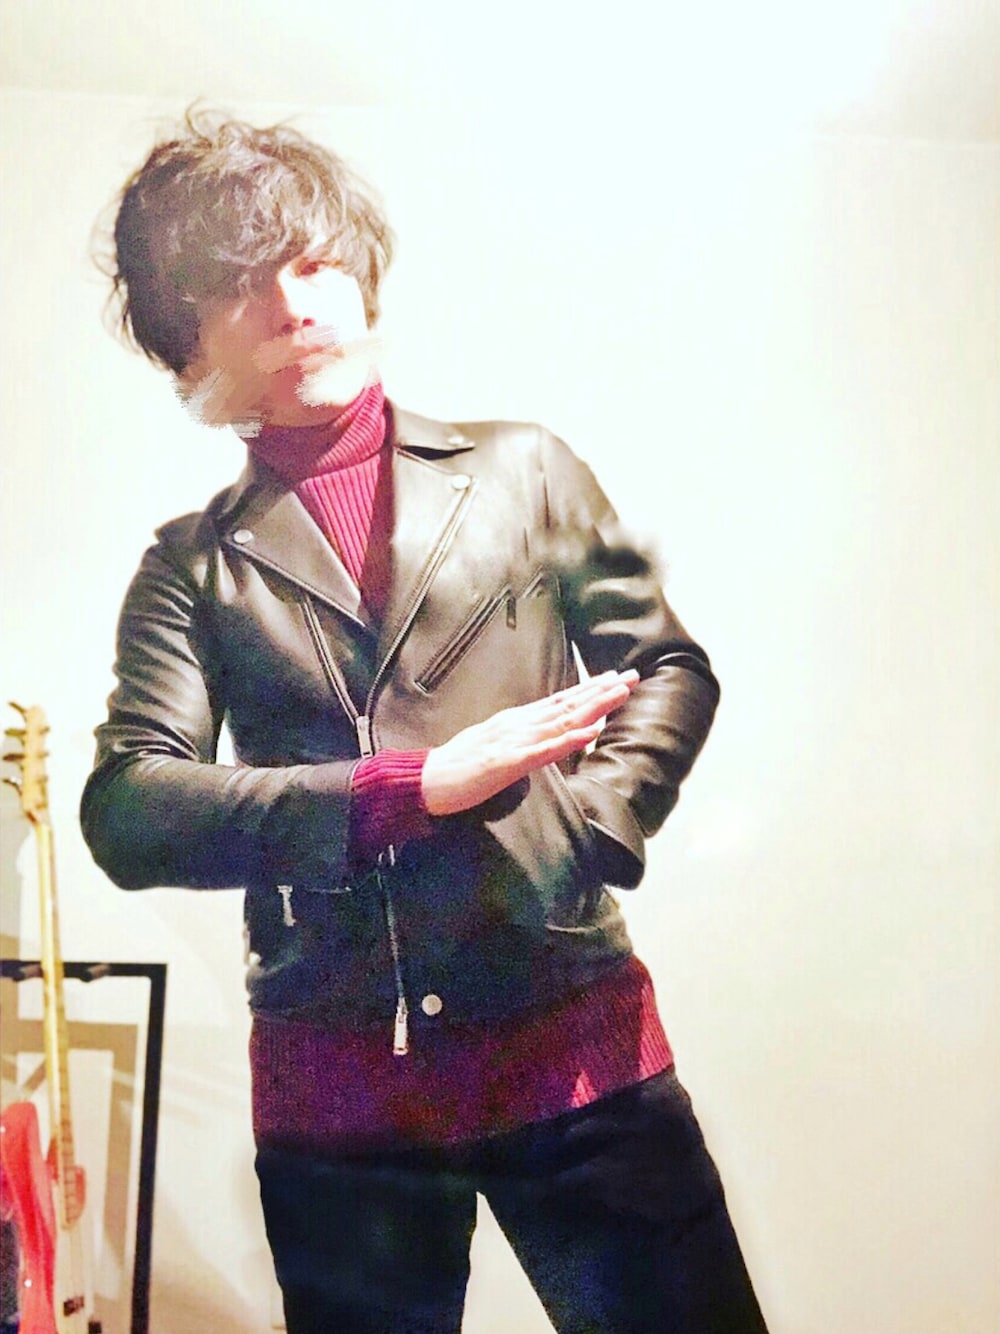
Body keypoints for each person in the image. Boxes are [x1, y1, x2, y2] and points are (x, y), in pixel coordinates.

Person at [81, 109, 768, 1334]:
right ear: (186, 341)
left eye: (313, 262)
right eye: (240, 283)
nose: (292, 302)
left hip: (577, 1044)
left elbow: (665, 665)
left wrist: (583, 832)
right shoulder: (189, 567)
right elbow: (129, 806)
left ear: (359, 278)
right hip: (338, 1101)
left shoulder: (527, 469)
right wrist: (407, 788)